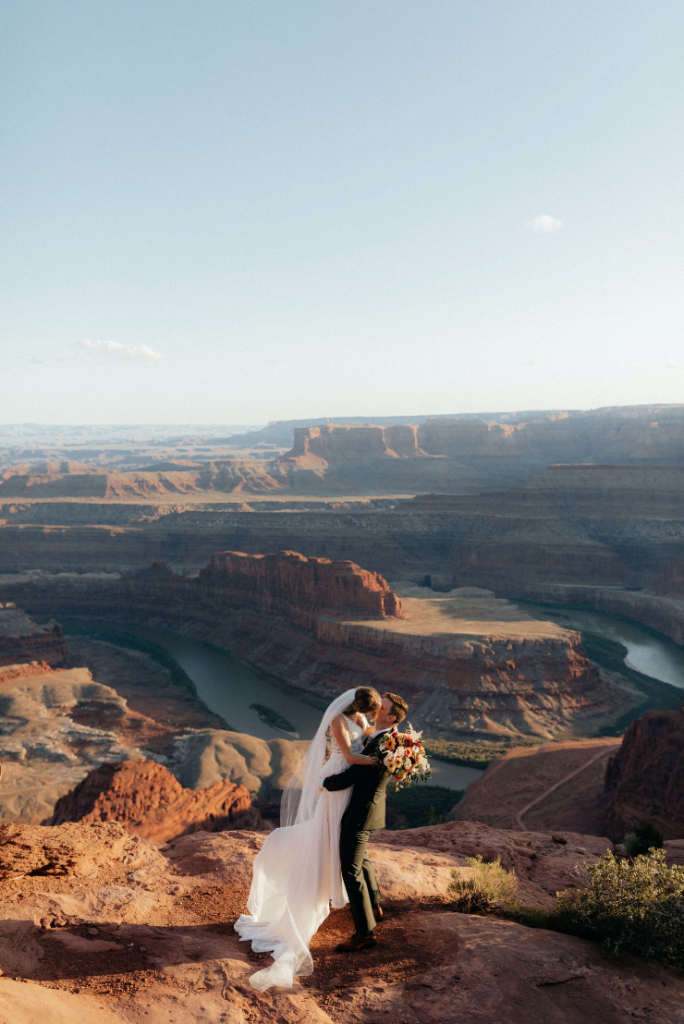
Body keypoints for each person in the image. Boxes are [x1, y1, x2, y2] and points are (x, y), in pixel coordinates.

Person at [234, 685, 382, 990]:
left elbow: (369, 736)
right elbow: (352, 756)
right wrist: (382, 762)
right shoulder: (338, 721)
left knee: (343, 835)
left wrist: (390, 744)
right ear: (359, 705)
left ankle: (350, 890)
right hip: (337, 781)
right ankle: (318, 881)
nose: (368, 717)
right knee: (328, 831)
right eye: (369, 711)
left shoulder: (358, 718)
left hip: (349, 785)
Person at [321, 691, 409, 951]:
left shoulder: (381, 744)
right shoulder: (389, 738)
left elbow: (350, 777)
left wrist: (322, 782)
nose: (376, 709)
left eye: (382, 707)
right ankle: (374, 905)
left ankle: (365, 933)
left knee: (351, 868)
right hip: (372, 808)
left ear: (391, 717)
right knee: (362, 858)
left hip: (360, 811)